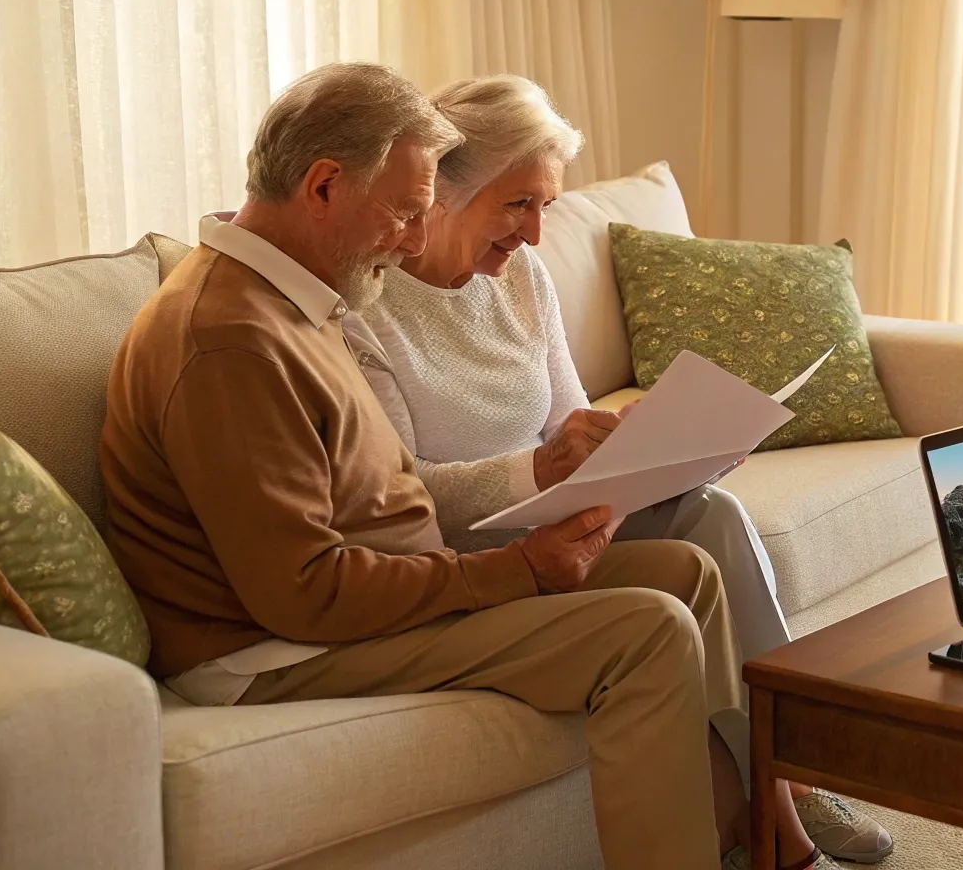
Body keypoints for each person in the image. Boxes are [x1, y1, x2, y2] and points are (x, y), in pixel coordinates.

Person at [99, 62, 767, 870]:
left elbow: (378, 498)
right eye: (407, 213)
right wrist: (516, 569)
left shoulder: (296, 296)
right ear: (322, 187)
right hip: (271, 654)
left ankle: (752, 825)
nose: (417, 241)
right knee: (646, 627)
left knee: (686, 574)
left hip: (375, 597)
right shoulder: (229, 339)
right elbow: (304, 594)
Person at [342, 72, 894, 867]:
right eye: (518, 204)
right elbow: (405, 498)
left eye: (547, 207)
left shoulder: (520, 277)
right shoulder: (368, 305)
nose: (536, 235)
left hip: (559, 509)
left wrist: (658, 446)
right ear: (446, 191)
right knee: (692, 555)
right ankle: (781, 816)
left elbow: (571, 415)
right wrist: (537, 468)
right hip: (477, 553)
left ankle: (789, 781)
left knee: (711, 511)